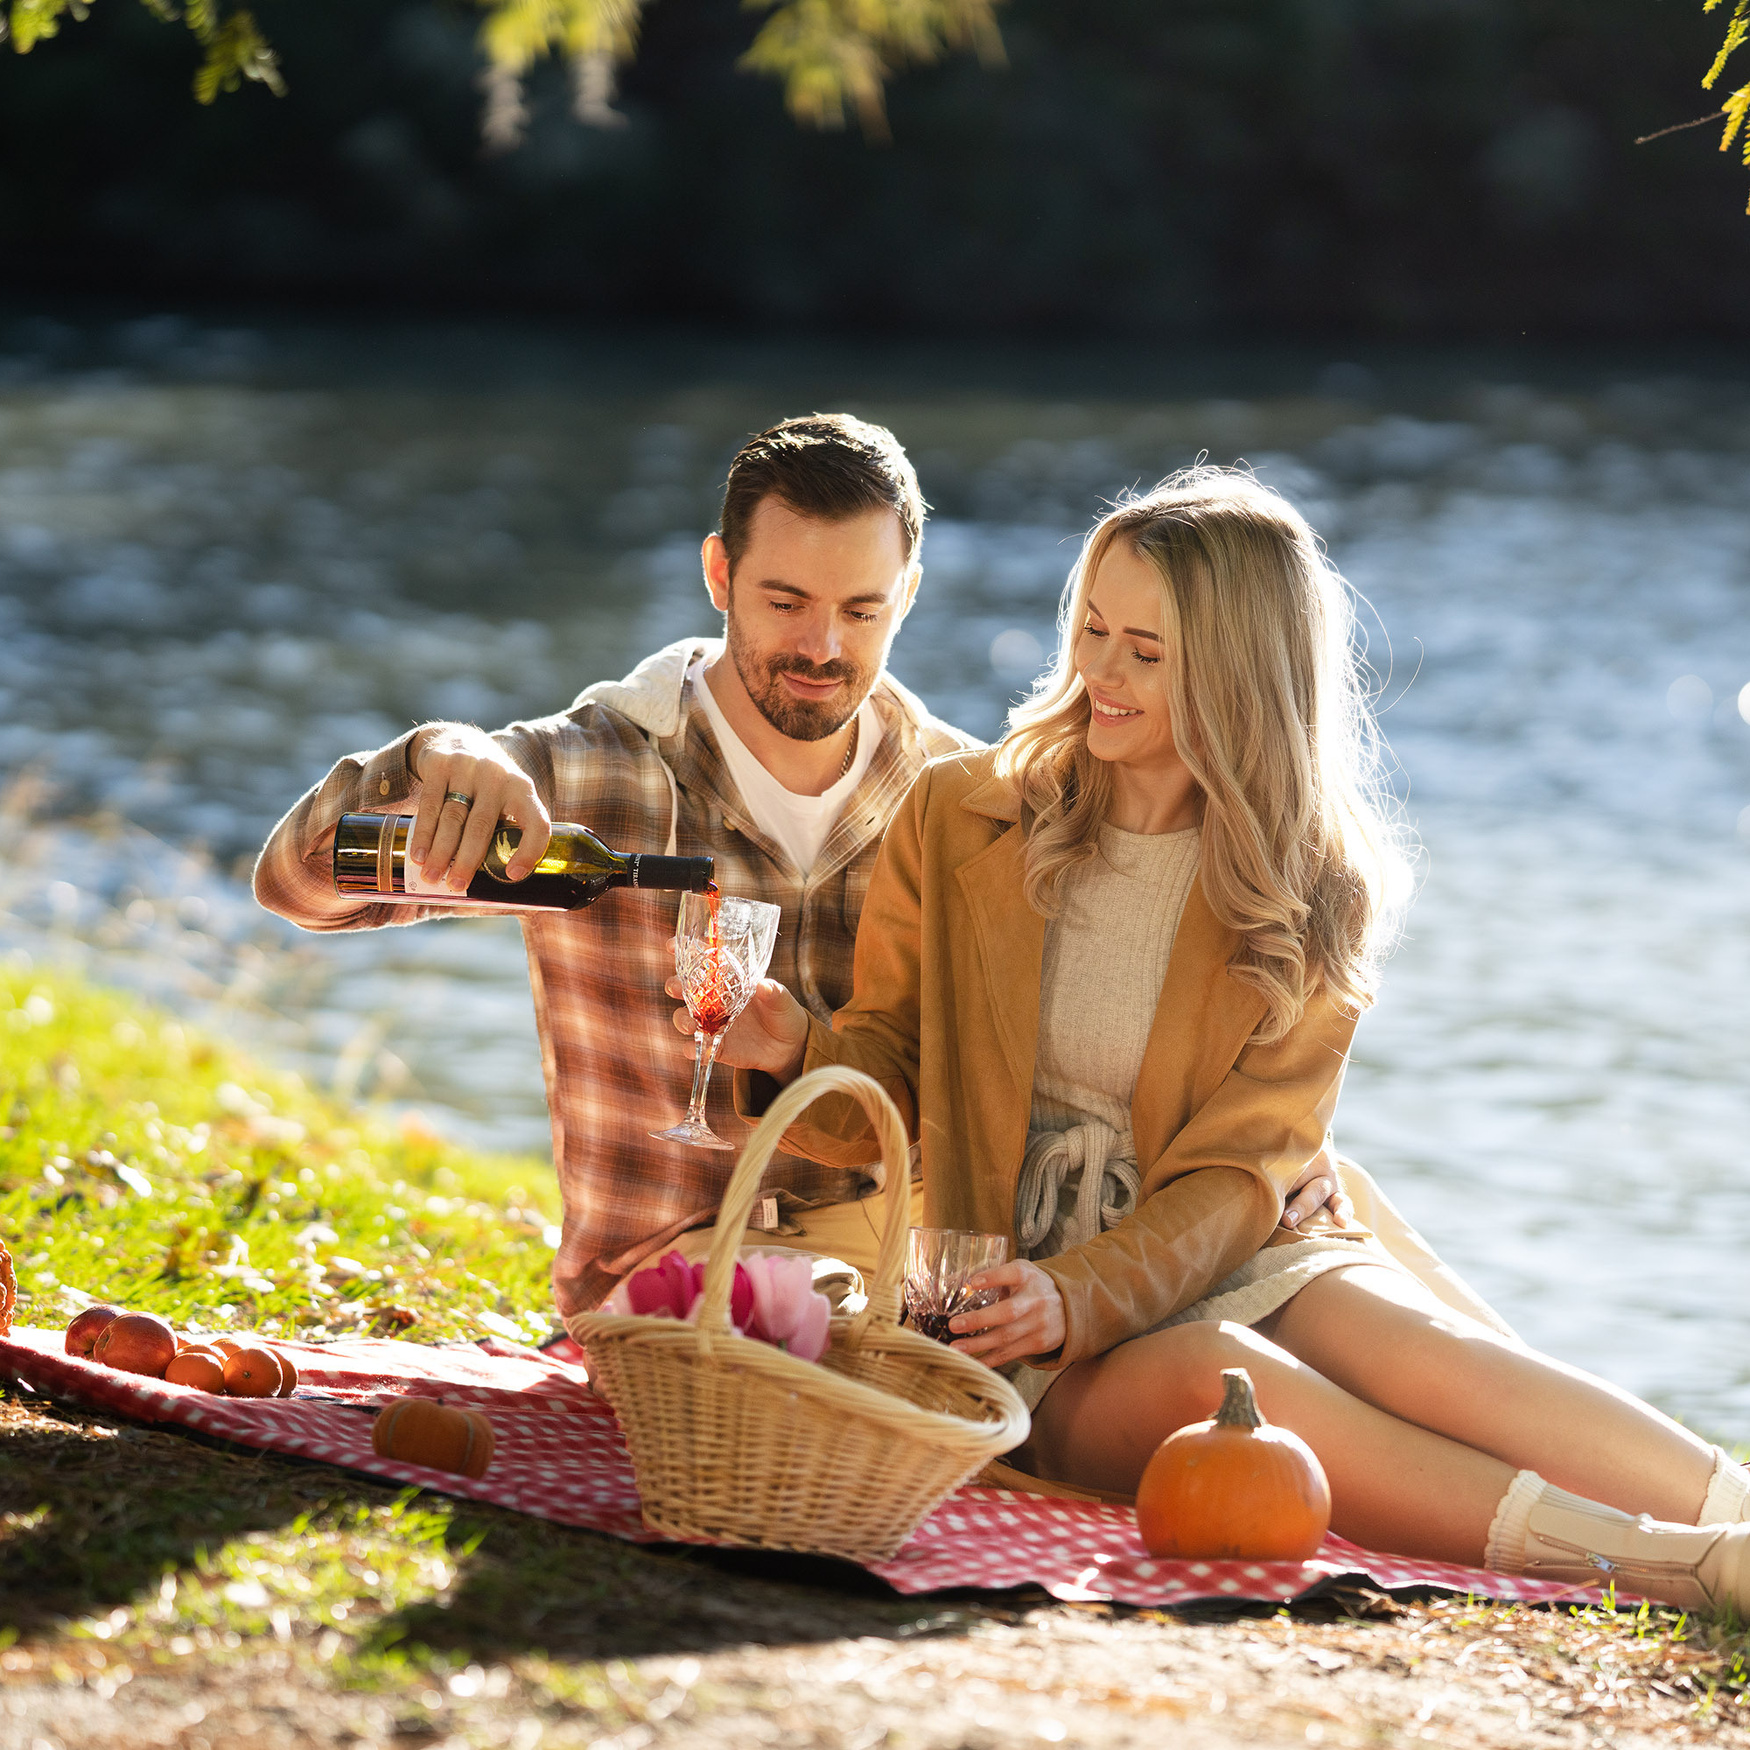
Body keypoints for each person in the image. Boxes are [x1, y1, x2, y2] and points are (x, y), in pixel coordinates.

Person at [705, 465, 1750, 1612]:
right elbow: (891, 1073)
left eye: (1145, 652)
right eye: (1092, 629)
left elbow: (1238, 1173)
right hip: (1012, 1302)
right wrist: (798, 1051)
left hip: (1222, 1243)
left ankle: (1731, 1509)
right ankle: (1672, 1568)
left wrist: (1096, 1286)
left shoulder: (1309, 887)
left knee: (1416, 1350)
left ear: (1239, 674)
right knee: (1222, 1389)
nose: (1098, 673)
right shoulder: (962, 813)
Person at [254, 415, 1349, 1321]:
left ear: (908, 595)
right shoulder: (586, 780)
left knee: (1315, 1235)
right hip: (676, 1273)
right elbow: (297, 886)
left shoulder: (970, 801)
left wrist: (1267, 1154)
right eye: (784, 602)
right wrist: (437, 752)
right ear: (718, 574)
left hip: (922, 1250)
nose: (821, 646)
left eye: (861, 609)